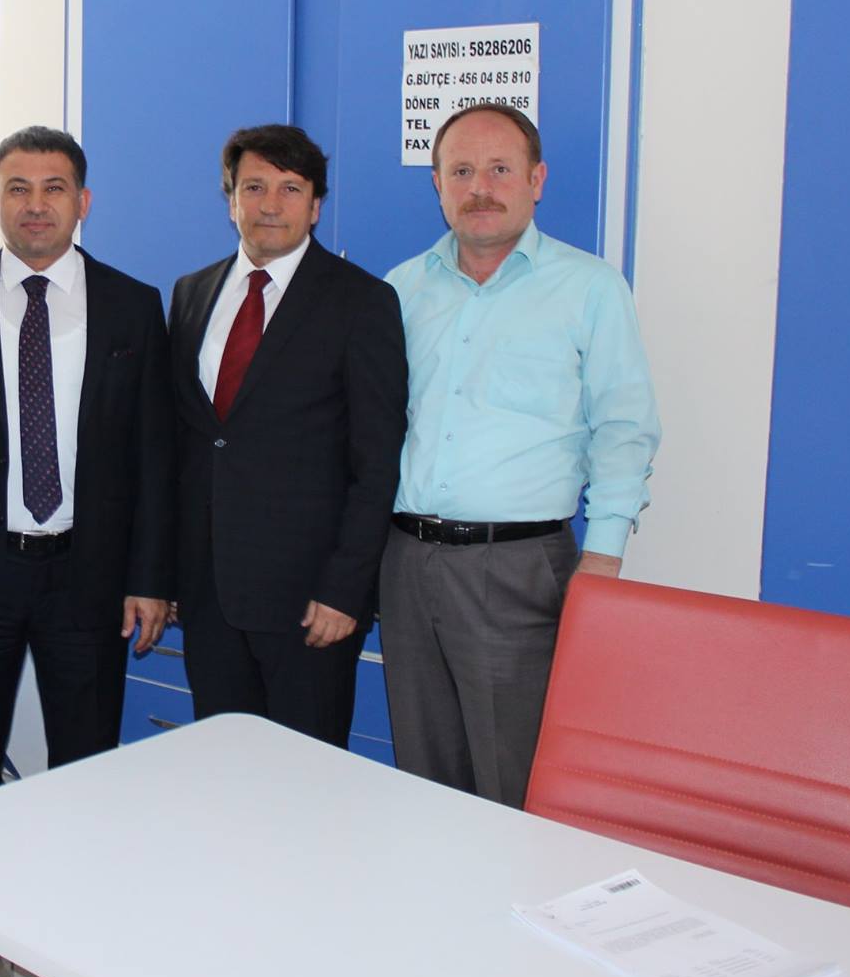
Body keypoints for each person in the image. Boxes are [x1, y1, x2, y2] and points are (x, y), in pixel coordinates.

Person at [0, 126, 174, 977]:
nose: (35, 205)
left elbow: (154, 453)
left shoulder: (134, 305)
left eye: (54, 187)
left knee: (87, 762)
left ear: (82, 201)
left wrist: (149, 577)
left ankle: (77, 917)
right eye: (18, 188)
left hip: (88, 576)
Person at [380, 103, 659, 808]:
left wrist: (604, 556)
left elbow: (623, 426)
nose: (480, 187)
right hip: (406, 563)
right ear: (437, 185)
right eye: (461, 171)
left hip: (518, 566)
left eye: (500, 169)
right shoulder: (400, 289)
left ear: (537, 180)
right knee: (425, 780)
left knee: (516, 786)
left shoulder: (589, 288)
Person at [168, 124, 406, 745]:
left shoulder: (363, 302)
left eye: (290, 188)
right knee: (221, 768)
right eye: (254, 187)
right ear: (231, 200)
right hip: (208, 597)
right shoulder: (191, 294)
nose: (270, 204)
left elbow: (377, 463)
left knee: (306, 784)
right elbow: (183, 447)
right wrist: (167, 576)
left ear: (316, 205)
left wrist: (345, 590)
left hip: (310, 606)